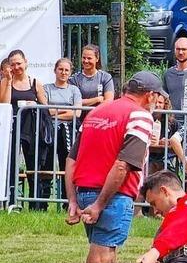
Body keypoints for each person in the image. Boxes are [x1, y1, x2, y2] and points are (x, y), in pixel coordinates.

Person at [64, 71, 160, 263]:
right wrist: (100, 204)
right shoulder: (140, 116)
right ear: (149, 95)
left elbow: (72, 160)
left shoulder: (97, 111)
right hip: (112, 196)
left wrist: (73, 200)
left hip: (84, 190)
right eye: (157, 98)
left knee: (98, 260)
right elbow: (122, 166)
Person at [0, 49, 48, 209]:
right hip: (11, 129)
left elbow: (46, 107)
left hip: (31, 129)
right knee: (11, 165)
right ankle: (11, 202)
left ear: (25, 62)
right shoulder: (5, 81)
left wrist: (35, 105)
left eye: (19, 63)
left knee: (33, 166)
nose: (16, 67)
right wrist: (7, 81)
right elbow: (5, 104)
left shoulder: (35, 83)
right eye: (12, 64)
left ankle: (36, 205)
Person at [43, 58, 83, 203]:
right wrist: (67, 110)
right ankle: (42, 202)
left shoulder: (74, 90)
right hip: (49, 131)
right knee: (45, 164)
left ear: (70, 73)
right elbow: (46, 111)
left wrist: (56, 111)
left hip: (68, 132)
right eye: (60, 69)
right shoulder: (46, 88)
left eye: (66, 70)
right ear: (55, 70)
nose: (63, 72)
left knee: (67, 165)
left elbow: (77, 113)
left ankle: (67, 201)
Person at [69, 44, 114, 124]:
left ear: (97, 59)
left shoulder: (105, 77)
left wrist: (83, 102)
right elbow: (73, 102)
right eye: (84, 58)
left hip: (100, 121)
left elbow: (108, 101)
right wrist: (96, 99)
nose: (86, 61)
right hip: (79, 122)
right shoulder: (74, 79)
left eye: (89, 58)